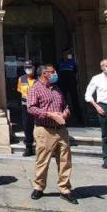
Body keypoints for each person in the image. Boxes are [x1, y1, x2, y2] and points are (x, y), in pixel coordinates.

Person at [28, 64, 77, 204]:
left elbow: (64, 105)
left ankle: (65, 188)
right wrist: (49, 114)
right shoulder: (35, 89)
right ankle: (39, 187)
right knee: (42, 160)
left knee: (65, 160)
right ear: (44, 74)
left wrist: (65, 113)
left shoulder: (57, 89)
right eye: (52, 72)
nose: (55, 73)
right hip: (45, 129)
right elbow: (31, 108)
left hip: (61, 129)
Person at [16, 61, 37, 156]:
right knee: (27, 127)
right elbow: (20, 91)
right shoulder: (21, 79)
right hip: (25, 106)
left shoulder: (38, 80)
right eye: (26, 67)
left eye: (30, 67)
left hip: (36, 107)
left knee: (38, 127)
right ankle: (28, 147)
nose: (28, 69)